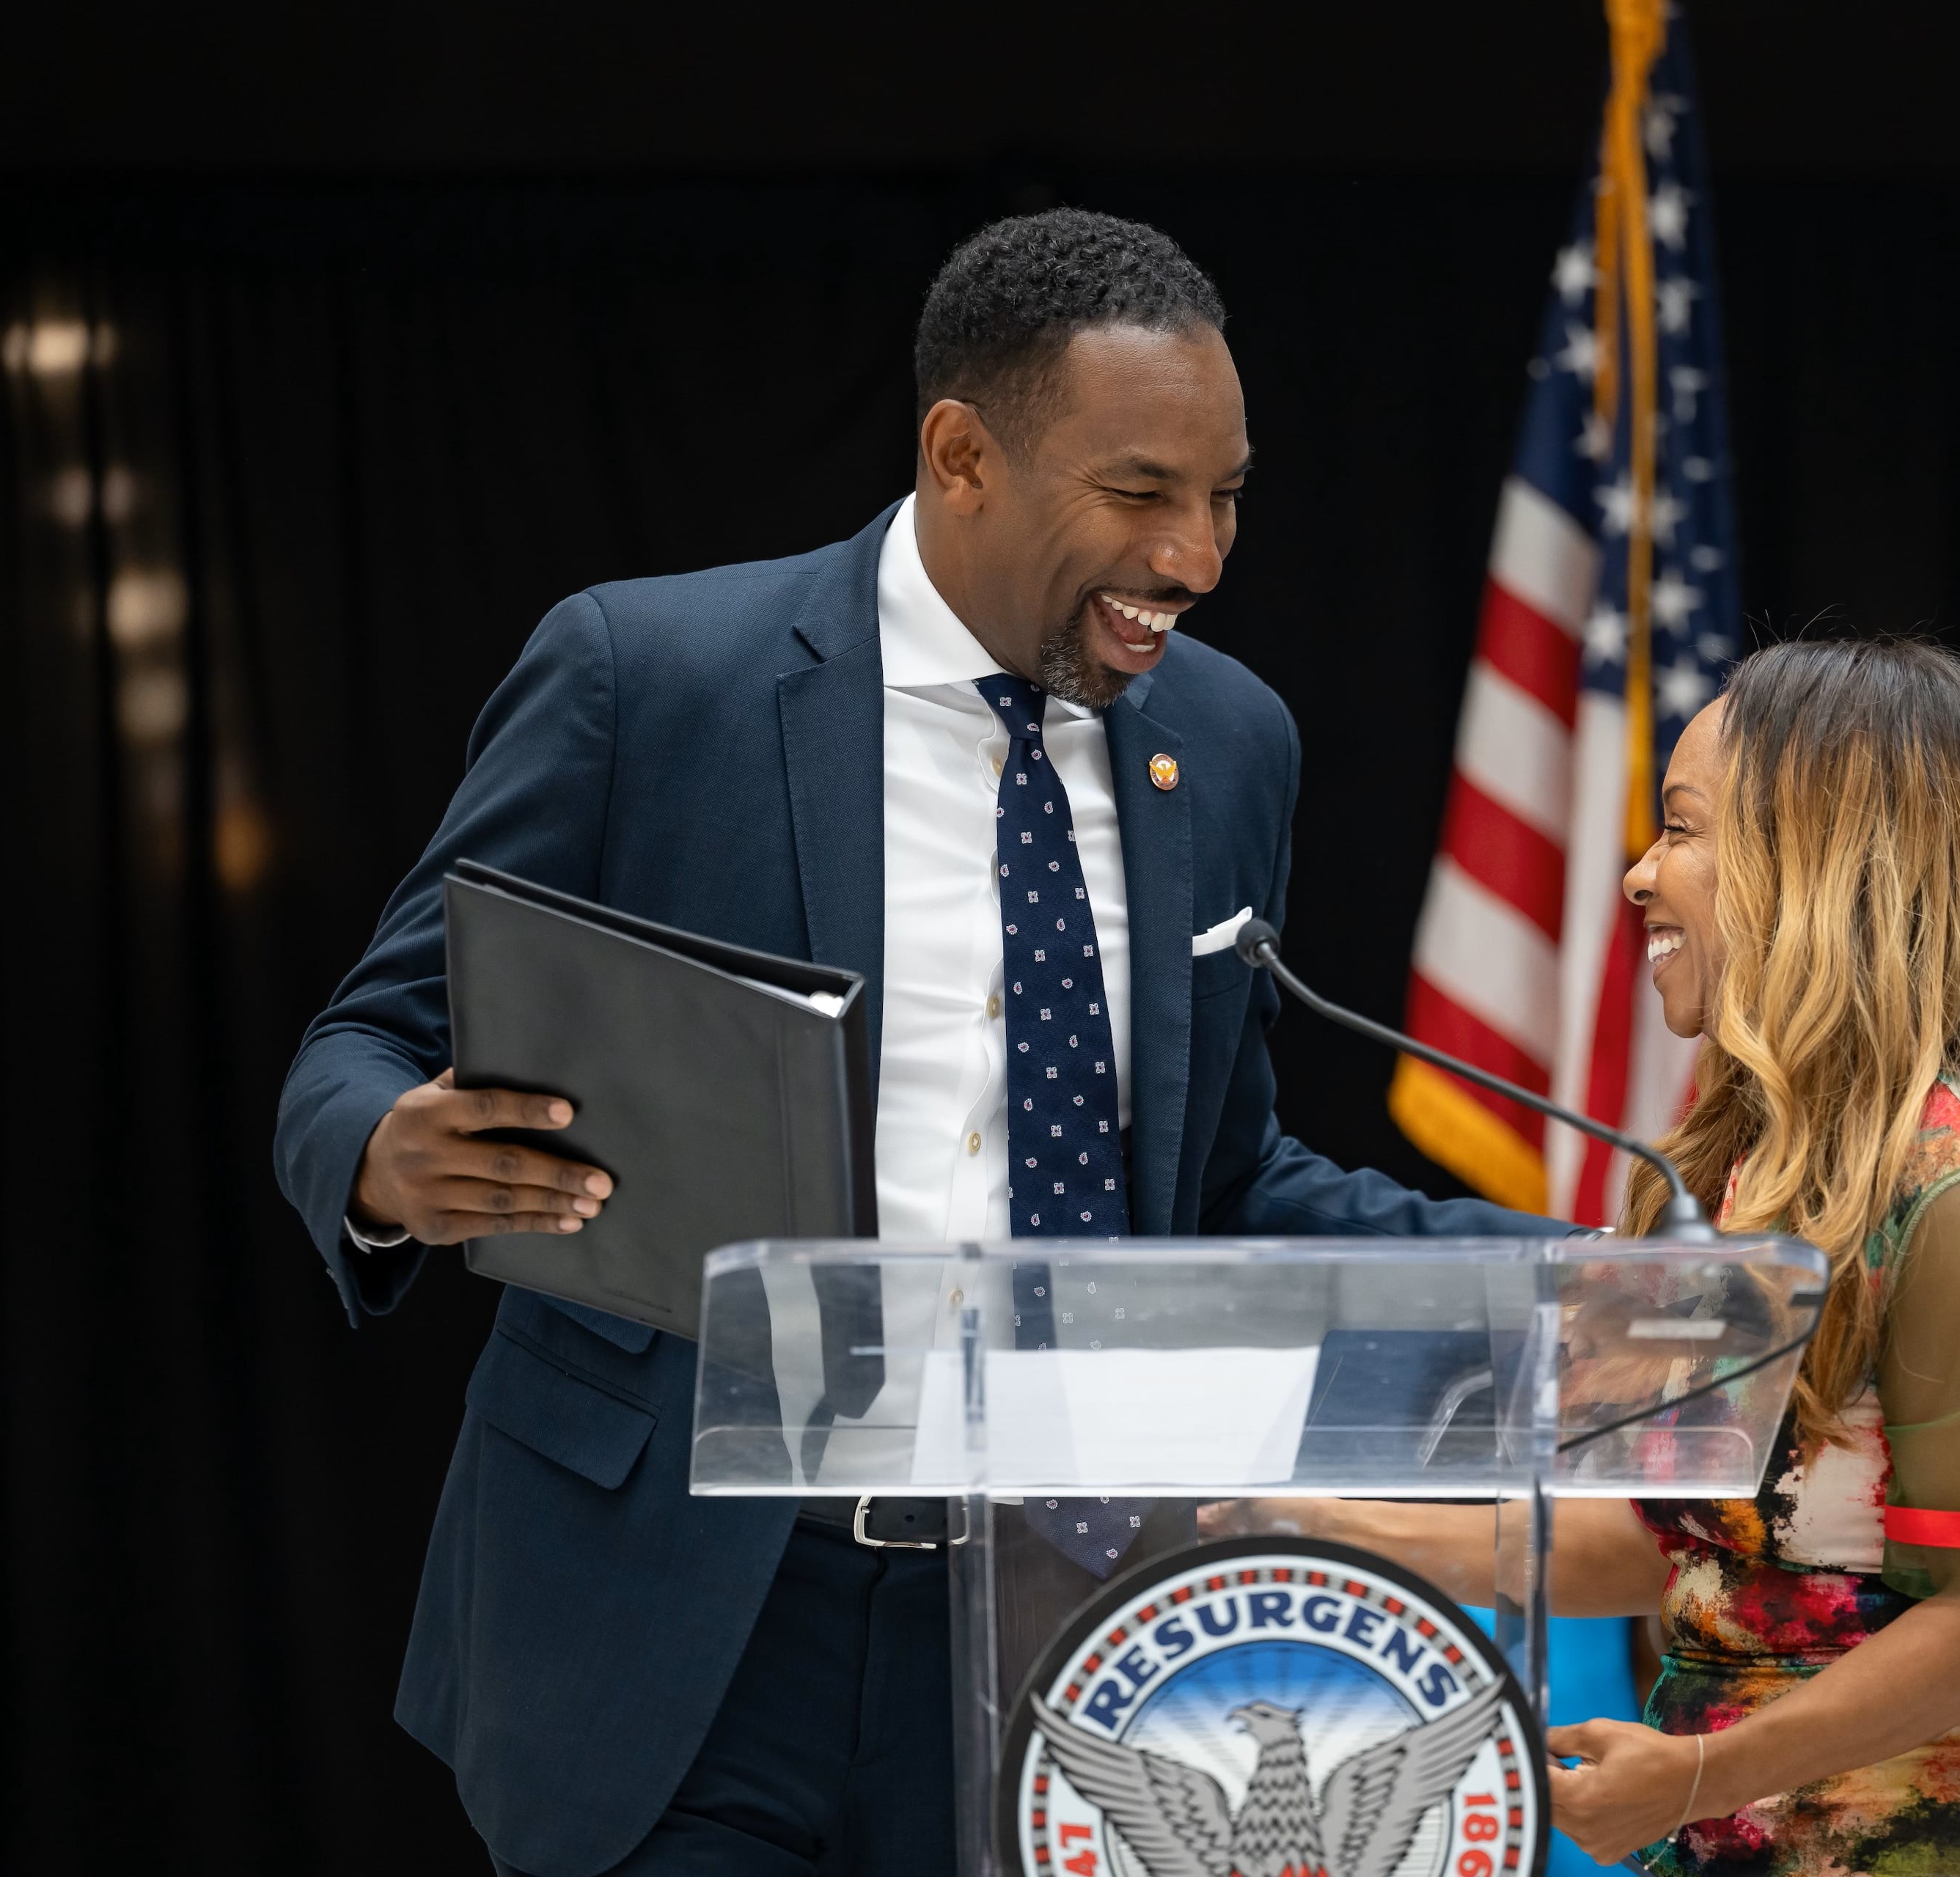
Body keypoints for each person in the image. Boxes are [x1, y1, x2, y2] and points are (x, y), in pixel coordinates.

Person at [271, 210, 1544, 1877]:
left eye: (1227, 493)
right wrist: (386, 1157)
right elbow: (364, 1042)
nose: (1198, 555)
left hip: (1057, 1623)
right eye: (1141, 492)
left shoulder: (1231, 742)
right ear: (962, 457)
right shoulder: (652, 676)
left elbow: (1224, 1178)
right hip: (685, 1617)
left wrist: (1562, 1277)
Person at [1208, 638, 1960, 1874]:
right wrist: (1324, 1526)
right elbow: (1670, 1545)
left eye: (1682, 830)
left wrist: (1703, 1774)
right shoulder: (1717, 1179)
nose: (1639, 874)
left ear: (1815, 863)